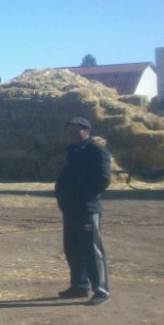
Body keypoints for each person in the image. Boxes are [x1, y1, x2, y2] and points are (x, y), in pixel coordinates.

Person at [54, 116, 112, 305]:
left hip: (87, 209)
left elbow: (103, 179)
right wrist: (62, 195)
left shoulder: (97, 151)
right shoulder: (73, 151)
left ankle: (101, 291)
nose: (71, 134)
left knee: (92, 250)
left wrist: (82, 197)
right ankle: (79, 286)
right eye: (69, 131)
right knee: (72, 248)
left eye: (76, 131)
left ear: (87, 131)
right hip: (70, 208)